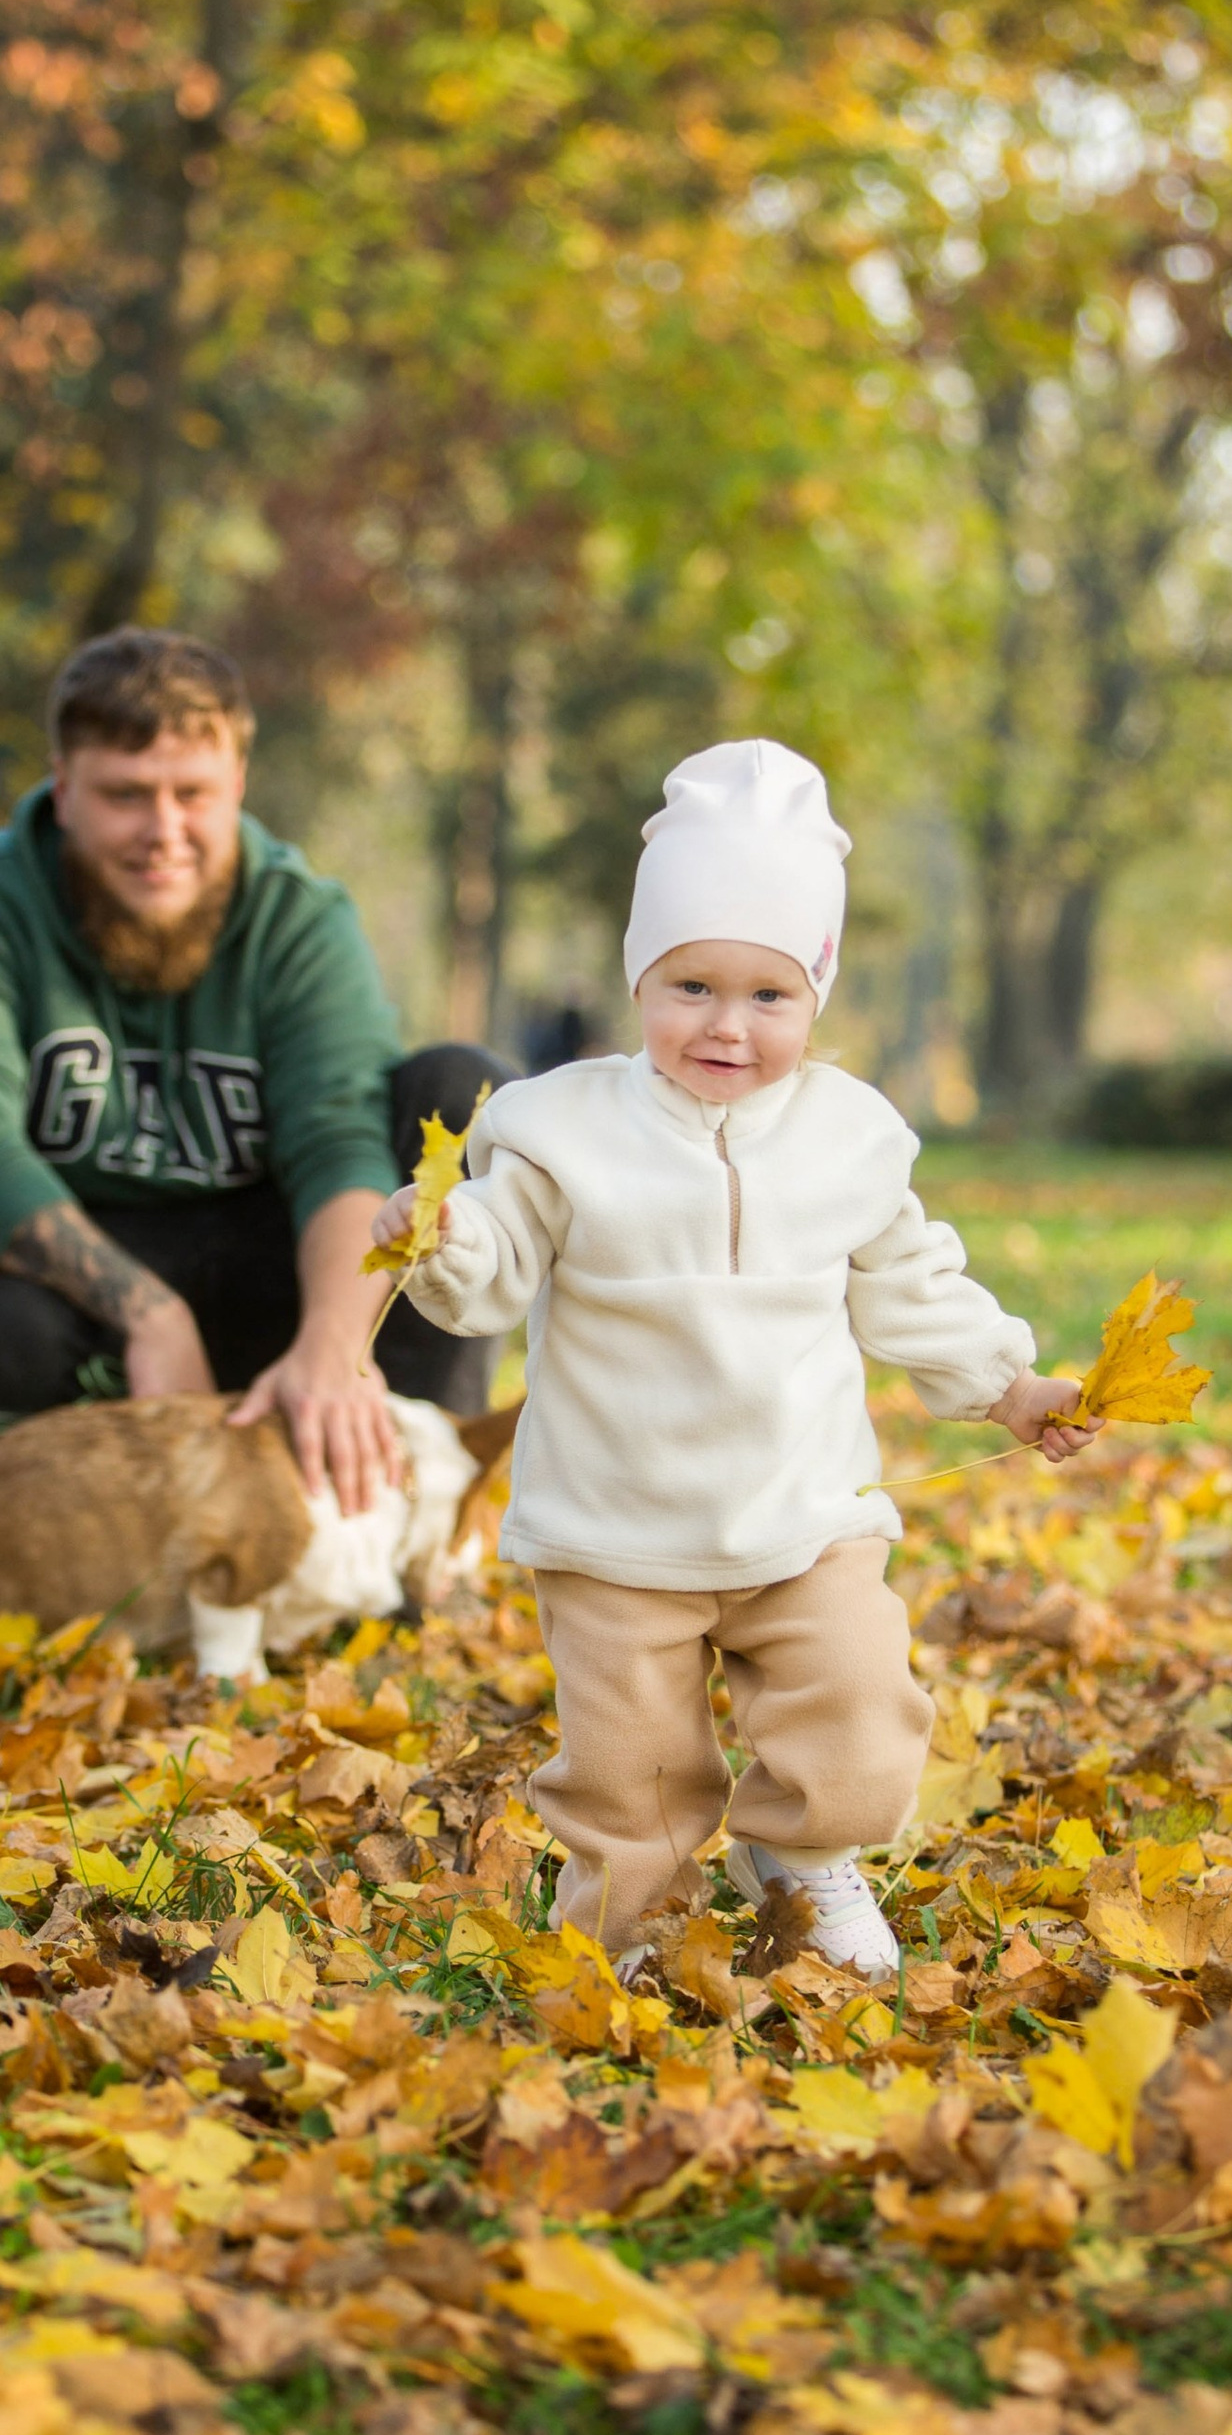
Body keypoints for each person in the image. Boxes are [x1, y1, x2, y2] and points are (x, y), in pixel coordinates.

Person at [384, 738, 1090, 1980]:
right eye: (691, 985)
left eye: (769, 995)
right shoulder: (560, 1128)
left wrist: (1010, 1387)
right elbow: (496, 1261)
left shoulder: (847, 1136)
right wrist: (444, 1239)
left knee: (861, 1707)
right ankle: (630, 1935)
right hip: (614, 1525)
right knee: (630, 1773)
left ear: (816, 995)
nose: (726, 1024)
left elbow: (911, 1281)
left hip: (802, 1513)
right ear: (638, 977)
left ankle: (801, 1856)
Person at [0, 626, 502, 1519]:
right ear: (63, 788)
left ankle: (408, 1498)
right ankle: (89, 1540)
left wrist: (335, 1345)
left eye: (193, 794)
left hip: (283, 1271)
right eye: (126, 795)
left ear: (237, 784)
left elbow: (337, 1141)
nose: (163, 831)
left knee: (462, 1093)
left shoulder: (296, 916)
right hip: (97, 1289)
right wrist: (149, 1312)